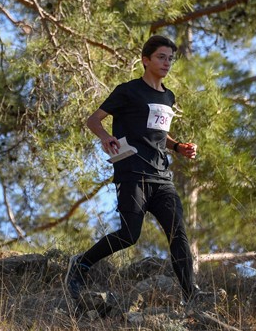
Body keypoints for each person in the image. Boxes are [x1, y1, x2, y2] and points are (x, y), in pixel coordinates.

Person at [66, 35, 199, 304]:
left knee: (178, 234)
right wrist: (106, 137)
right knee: (129, 235)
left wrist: (177, 147)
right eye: (161, 57)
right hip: (132, 173)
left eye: (170, 58)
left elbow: (160, 133)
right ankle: (81, 263)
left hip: (162, 176)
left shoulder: (168, 96)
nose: (166, 63)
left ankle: (191, 295)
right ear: (145, 60)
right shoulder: (127, 90)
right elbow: (93, 121)